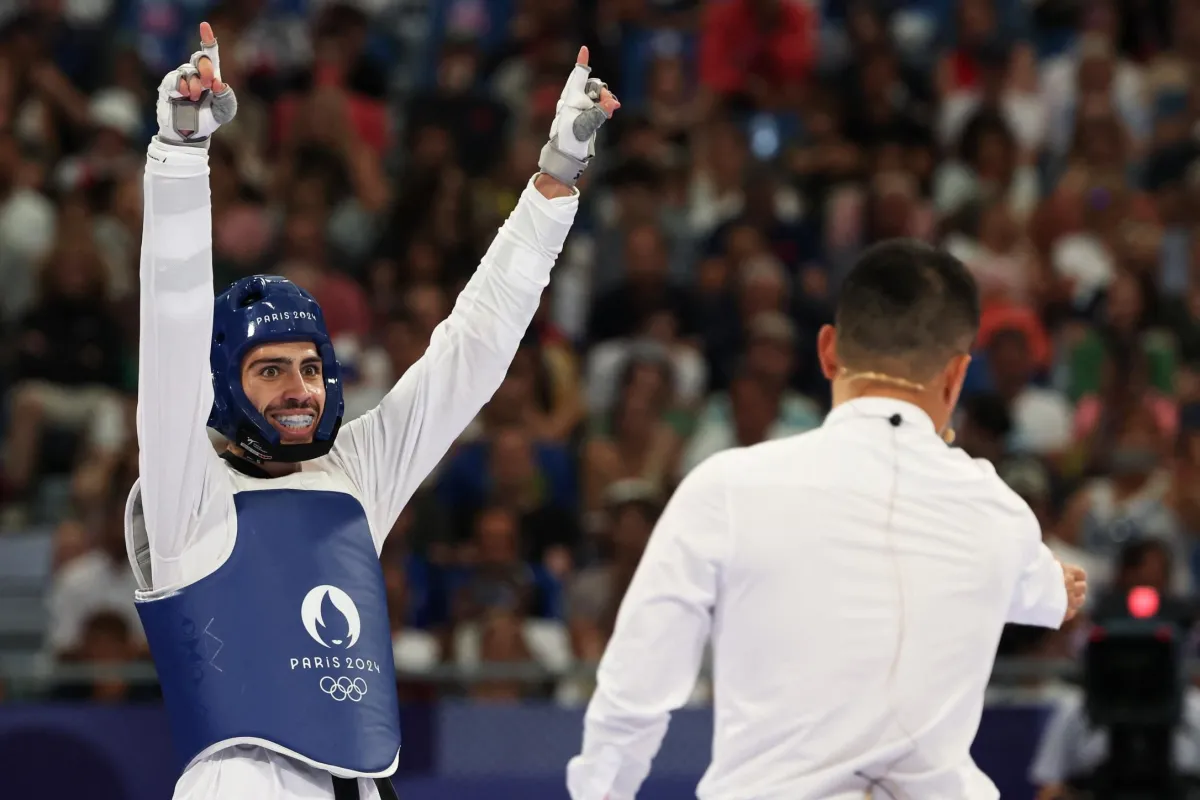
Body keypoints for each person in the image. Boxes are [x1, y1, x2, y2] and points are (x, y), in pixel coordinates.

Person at [126, 23, 619, 800]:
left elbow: (471, 352)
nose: (299, 388)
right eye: (270, 371)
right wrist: (181, 154)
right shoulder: (184, 491)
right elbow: (173, 324)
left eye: (311, 368)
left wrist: (553, 184)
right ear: (224, 387)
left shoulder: (354, 474)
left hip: (364, 785)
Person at [566, 240, 1088, 800]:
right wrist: (1055, 585)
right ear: (958, 375)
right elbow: (1051, 598)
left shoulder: (727, 489)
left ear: (828, 350)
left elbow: (636, 689)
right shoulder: (997, 509)